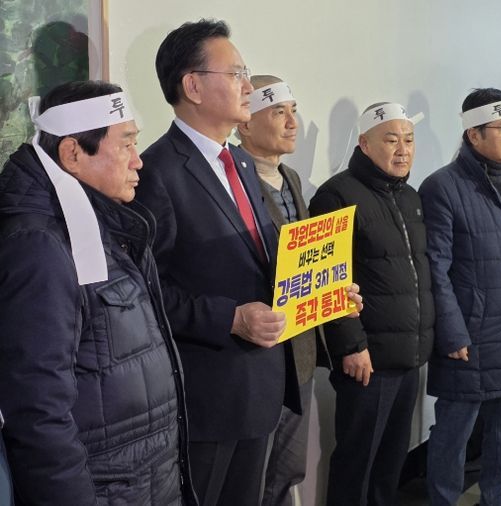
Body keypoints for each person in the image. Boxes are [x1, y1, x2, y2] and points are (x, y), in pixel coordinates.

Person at [134, 20, 359, 506]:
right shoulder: (157, 172)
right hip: (208, 398)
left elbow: (267, 260)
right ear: (193, 86)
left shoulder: (238, 163)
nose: (246, 86)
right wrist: (230, 318)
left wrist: (324, 289)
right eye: (235, 73)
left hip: (264, 387)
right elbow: (145, 295)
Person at [0, 80, 194, 505]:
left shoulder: (108, 224)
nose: (138, 161)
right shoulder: (40, 247)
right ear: (72, 154)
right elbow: (37, 410)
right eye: (126, 144)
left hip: (144, 482)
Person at [419, 88, 501, 506]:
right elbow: (436, 269)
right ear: (474, 135)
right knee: (453, 434)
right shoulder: (442, 187)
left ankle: (495, 499)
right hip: (470, 335)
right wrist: (453, 333)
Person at [308, 103, 435, 506]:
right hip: (368, 360)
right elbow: (327, 278)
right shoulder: (336, 196)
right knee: (356, 462)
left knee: (391, 463)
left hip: (408, 356)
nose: (403, 149)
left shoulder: (411, 197)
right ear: (364, 144)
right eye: (391, 140)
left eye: (409, 140)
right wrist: (350, 344)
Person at [236, 75, 332, 506]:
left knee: (289, 467)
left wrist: (334, 289)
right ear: (245, 123)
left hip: (300, 349)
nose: (293, 123)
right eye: (279, 112)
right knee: (251, 474)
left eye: (293, 111)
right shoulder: (231, 179)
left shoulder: (290, 176)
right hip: (256, 354)